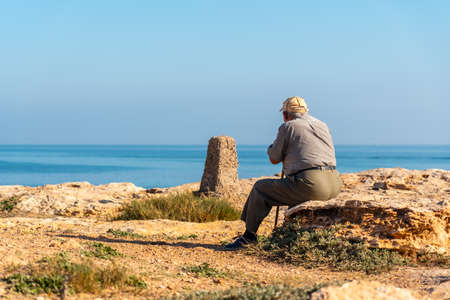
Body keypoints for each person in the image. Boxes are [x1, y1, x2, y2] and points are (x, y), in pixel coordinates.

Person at [224, 96, 342, 251]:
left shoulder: (288, 127)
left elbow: (274, 158)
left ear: (285, 114)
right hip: (334, 183)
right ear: (305, 111)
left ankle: (249, 236)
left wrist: (271, 148)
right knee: (294, 192)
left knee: (260, 188)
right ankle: (292, 234)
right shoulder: (322, 125)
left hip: (311, 183)